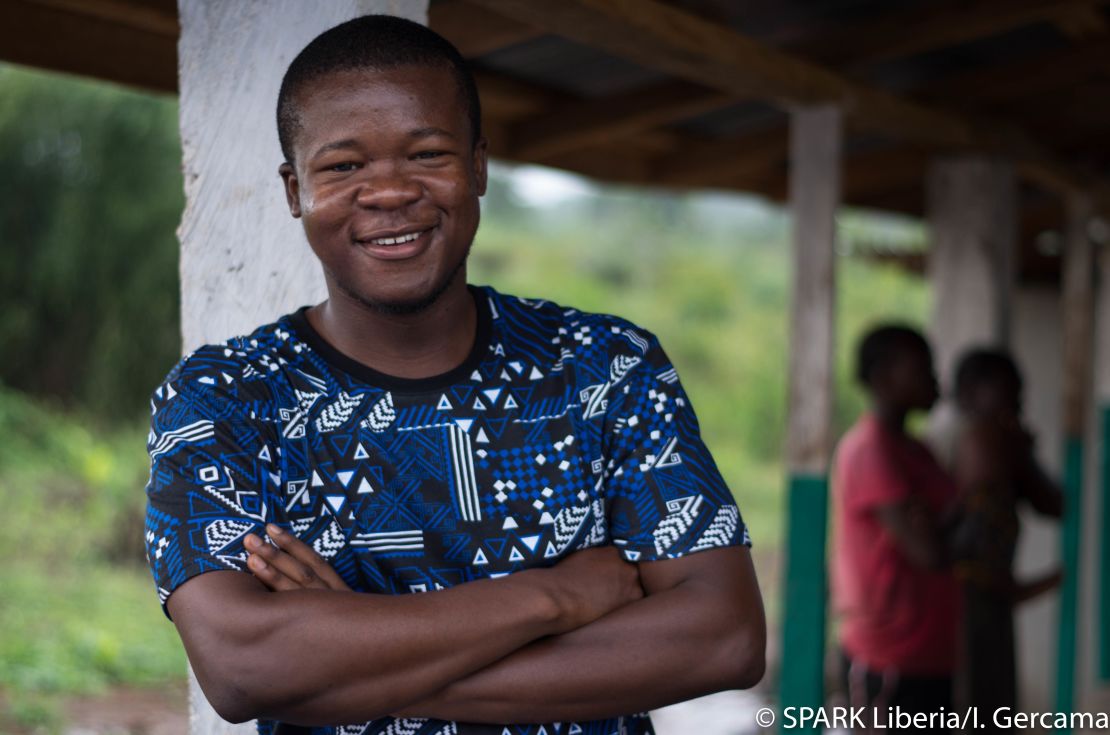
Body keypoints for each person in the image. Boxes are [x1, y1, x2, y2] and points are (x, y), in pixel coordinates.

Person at [142, 15, 765, 735]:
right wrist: (553, 598)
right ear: (294, 190)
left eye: (427, 153)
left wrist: (351, 660)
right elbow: (246, 667)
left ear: (478, 166)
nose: (388, 192)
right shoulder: (226, 399)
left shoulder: (605, 368)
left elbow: (724, 637)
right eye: (343, 166)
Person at [831, 325, 960, 731]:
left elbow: (949, 523)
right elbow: (929, 550)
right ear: (884, 376)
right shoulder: (870, 450)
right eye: (923, 368)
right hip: (890, 655)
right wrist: (939, 527)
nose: (936, 379)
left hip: (932, 651)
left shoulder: (917, 451)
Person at [944, 349, 1062, 727]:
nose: (1017, 404)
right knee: (983, 711)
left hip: (983, 605)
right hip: (971, 608)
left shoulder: (994, 440)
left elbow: (1053, 504)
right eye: (1009, 393)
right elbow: (975, 559)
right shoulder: (981, 438)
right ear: (971, 393)